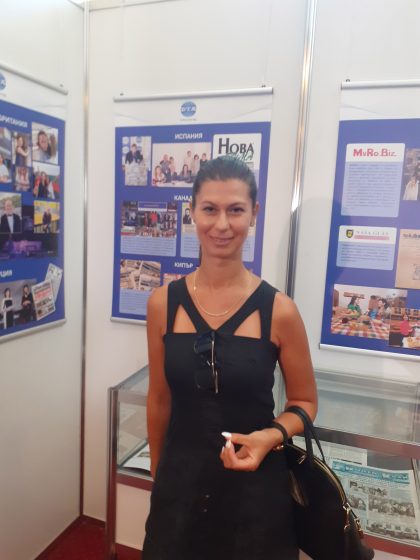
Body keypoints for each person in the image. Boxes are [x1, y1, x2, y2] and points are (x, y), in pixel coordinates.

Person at [143, 156, 317, 560]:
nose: (222, 224)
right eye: (210, 209)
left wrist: (270, 436)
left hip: (255, 492)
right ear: (192, 212)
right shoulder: (162, 304)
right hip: (180, 490)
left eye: (235, 210)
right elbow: (159, 399)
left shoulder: (280, 311)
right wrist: (158, 472)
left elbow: (304, 402)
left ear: (253, 214)